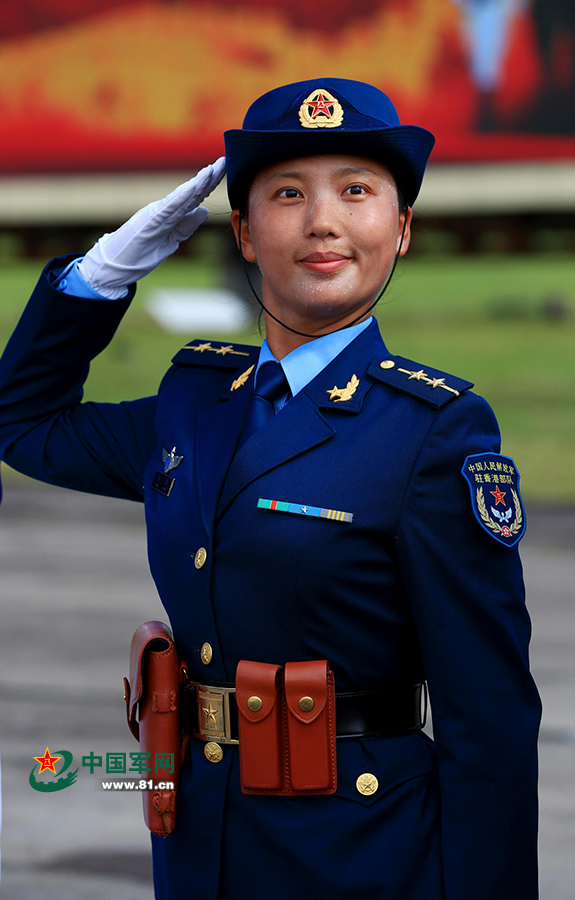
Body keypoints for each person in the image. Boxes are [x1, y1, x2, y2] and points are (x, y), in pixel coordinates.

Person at [0, 78, 541, 899]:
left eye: (355, 192)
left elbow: (488, 719)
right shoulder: (195, 403)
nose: (321, 220)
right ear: (245, 234)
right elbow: (22, 425)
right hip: (201, 841)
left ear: (399, 231)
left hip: (363, 848)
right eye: (287, 195)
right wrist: (101, 274)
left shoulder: (435, 429)